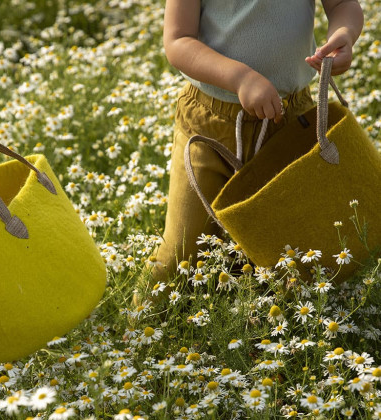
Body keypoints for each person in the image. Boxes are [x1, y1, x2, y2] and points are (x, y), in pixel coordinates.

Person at [135, 0, 364, 303]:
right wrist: (240, 77)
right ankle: (135, 331)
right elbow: (177, 40)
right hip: (209, 127)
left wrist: (344, 34)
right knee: (181, 253)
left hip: (290, 122)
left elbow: (343, 5)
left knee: (297, 258)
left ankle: (288, 339)